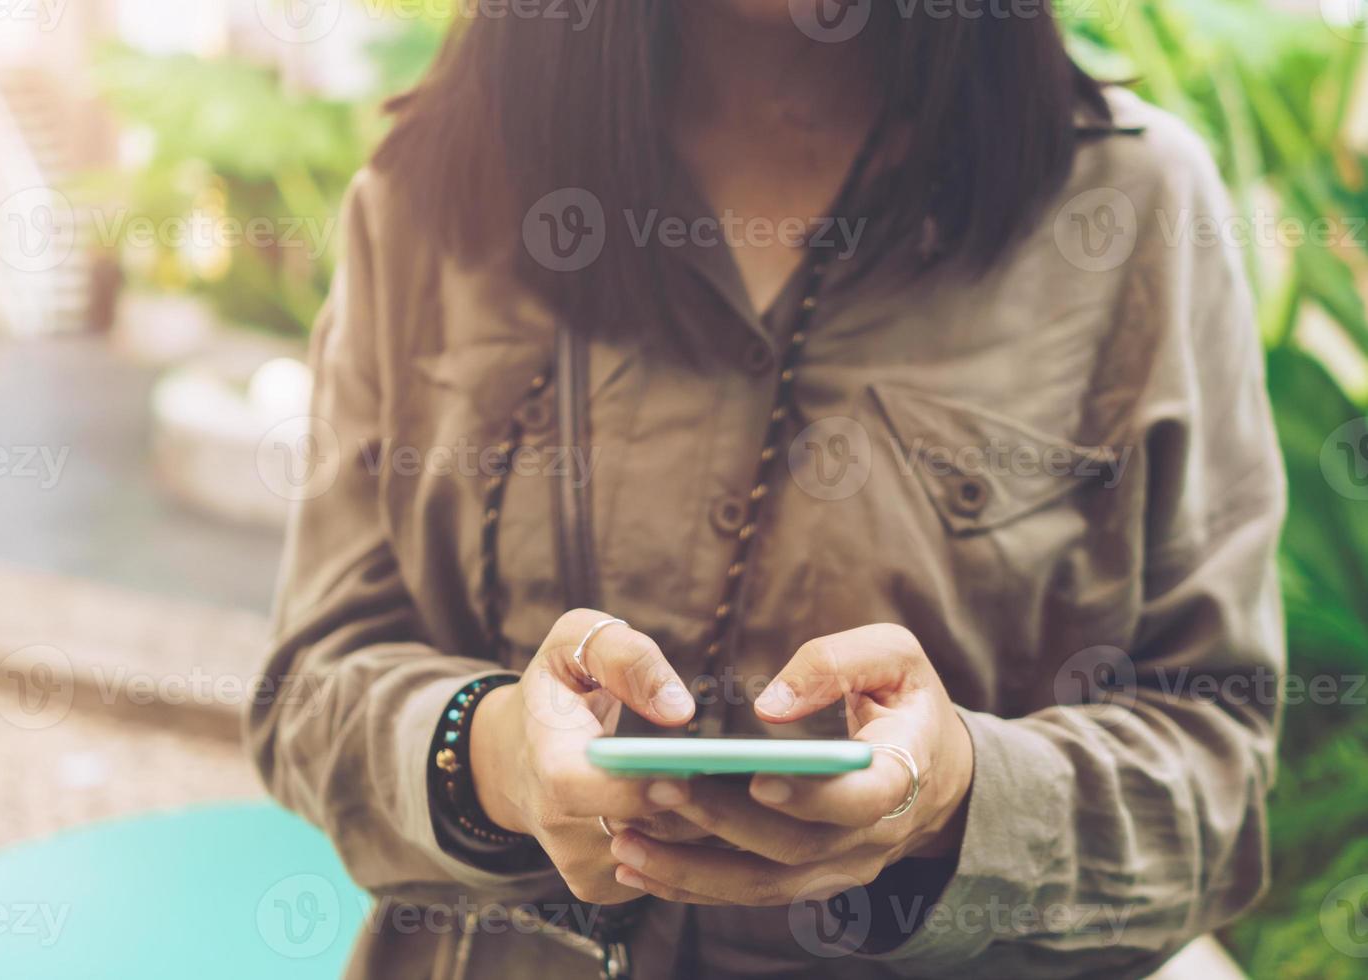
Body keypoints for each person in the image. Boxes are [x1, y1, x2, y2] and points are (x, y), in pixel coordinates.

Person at [247, 1, 1286, 976]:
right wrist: (495, 757)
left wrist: (963, 794)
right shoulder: (433, 189)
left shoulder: (1135, 209)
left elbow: (1214, 774)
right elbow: (312, 689)